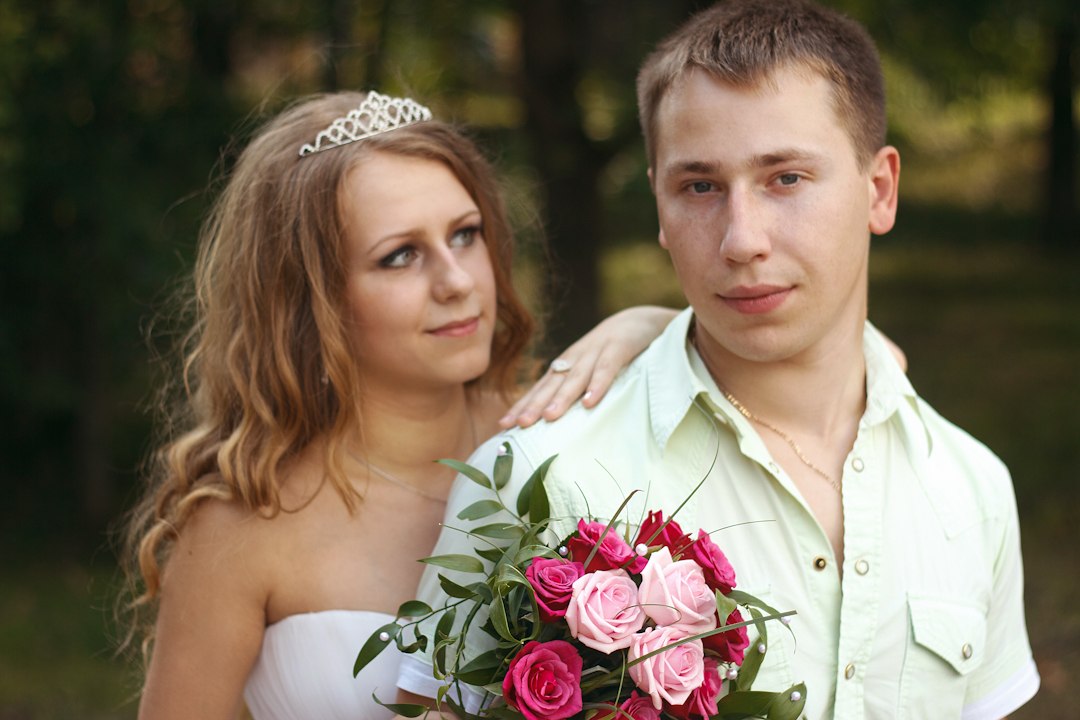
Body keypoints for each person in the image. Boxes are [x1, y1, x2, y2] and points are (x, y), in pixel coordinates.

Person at [396, 1, 1039, 718]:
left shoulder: (972, 488)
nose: (741, 240)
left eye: (786, 178)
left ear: (878, 191)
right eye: (700, 187)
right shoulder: (539, 478)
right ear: (660, 209)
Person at [118, 89, 678, 720]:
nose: (458, 281)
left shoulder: (564, 440)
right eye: (400, 256)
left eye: (465, 235)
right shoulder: (244, 526)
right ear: (311, 299)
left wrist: (654, 326)